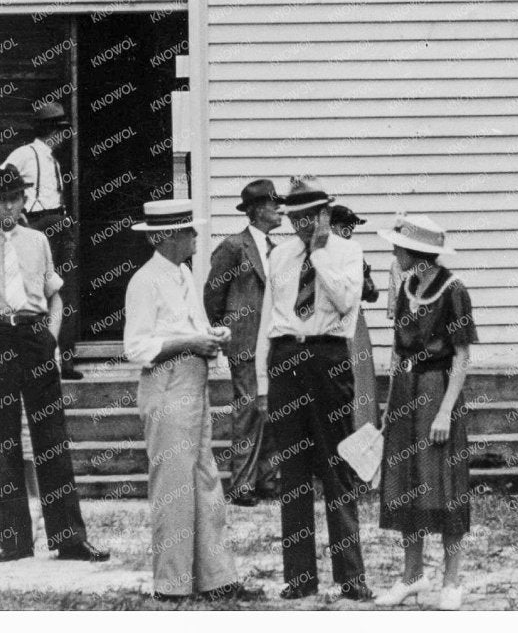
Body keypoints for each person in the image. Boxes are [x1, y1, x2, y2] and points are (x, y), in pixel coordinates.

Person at [0, 163, 107, 564]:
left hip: (35, 336)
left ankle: (69, 537)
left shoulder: (38, 240)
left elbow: (55, 293)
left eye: (14, 198)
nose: (7, 206)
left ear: (23, 200)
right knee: (3, 442)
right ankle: (15, 539)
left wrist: (52, 335)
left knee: (51, 439)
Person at [123, 199, 248, 601]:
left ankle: (215, 577)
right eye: (188, 231)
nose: (195, 237)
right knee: (173, 484)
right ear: (167, 237)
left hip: (194, 383)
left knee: (205, 479)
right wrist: (192, 342)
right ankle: (172, 584)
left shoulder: (184, 276)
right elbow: (137, 347)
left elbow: (194, 326)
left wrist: (213, 335)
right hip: (166, 383)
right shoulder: (145, 281)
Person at [256, 174, 371, 600]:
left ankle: (351, 577)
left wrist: (320, 254)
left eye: (309, 218)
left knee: (336, 467)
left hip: (327, 356)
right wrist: (263, 378)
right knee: (294, 473)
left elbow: (346, 302)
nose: (301, 227)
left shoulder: (348, 251)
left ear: (324, 216)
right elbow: (272, 317)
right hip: (286, 358)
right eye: (295, 219)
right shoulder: (280, 255)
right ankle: (300, 576)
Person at [372, 212, 477, 611]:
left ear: (416, 252)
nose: (394, 252)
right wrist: (389, 405)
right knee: (405, 481)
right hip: (406, 393)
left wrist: (445, 412)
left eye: (398, 247)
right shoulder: (406, 287)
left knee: (444, 482)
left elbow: (463, 356)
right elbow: (399, 349)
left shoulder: (454, 290)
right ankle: (411, 577)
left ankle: (452, 580)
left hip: (437, 392)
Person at [203, 179, 281, 506]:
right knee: (247, 411)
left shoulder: (279, 251)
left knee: (273, 411)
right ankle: (240, 484)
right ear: (258, 209)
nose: (280, 210)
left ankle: (266, 478)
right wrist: (226, 331)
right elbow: (213, 295)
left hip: (274, 344)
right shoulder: (234, 246)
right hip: (247, 343)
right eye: (275, 204)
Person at [4, 100, 82, 379]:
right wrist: (19, 215)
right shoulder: (24, 154)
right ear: (51, 131)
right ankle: (39, 359)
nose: (64, 136)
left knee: (65, 290)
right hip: (38, 224)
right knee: (37, 290)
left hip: (60, 223)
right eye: (61, 130)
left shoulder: (53, 159)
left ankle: (66, 361)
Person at [327, 203, 382, 437]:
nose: (349, 231)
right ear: (332, 227)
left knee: (360, 375)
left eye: (351, 227)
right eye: (344, 226)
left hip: (354, 318)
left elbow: (372, 293)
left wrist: (363, 281)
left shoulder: (355, 254)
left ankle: (362, 428)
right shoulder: (321, 255)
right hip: (331, 321)